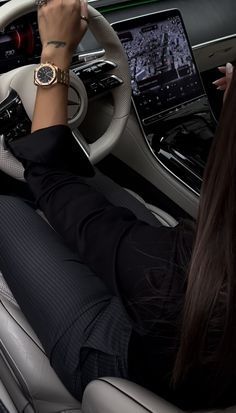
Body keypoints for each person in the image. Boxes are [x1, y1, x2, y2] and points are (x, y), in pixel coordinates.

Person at [0, 0, 235, 409]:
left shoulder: (170, 276)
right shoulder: (183, 261)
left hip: (121, 355)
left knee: (6, 203)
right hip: (195, 348)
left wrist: (54, 50)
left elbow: (49, 174)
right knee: (95, 178)